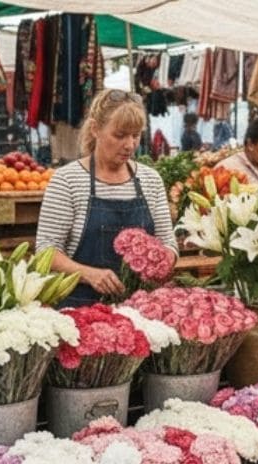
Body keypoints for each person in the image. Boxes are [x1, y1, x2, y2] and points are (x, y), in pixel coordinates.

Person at [35, 89, 177, 306]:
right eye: (120, 135)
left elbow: (168, 242)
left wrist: (163, 262)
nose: (130, 145)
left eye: (136, 135)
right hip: (80, 308)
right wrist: (88, 274)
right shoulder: (67, 180)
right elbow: (46, 251)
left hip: (141, 309)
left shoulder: (151, 180)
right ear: (95, 129)